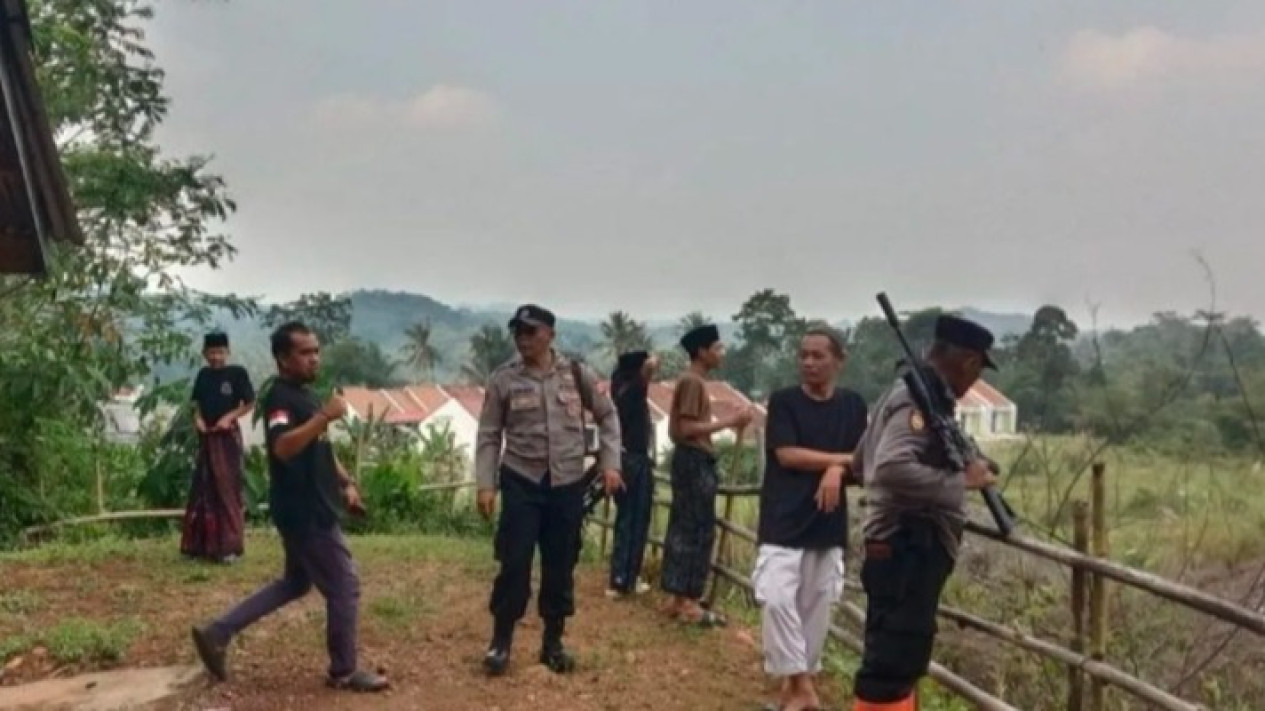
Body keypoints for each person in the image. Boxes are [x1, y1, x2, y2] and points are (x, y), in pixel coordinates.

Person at [190, 321, 389, 693]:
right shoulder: (281, 398)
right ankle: (344, 671)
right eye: (305, 352)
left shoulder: (306, 395)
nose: (314, 358)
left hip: (309, 505)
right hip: (306, 512)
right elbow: (283, 447)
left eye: (316, 351)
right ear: (283, 358)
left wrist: (345, 483)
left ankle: (218, 632)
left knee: (296, 582)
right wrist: (325, 416)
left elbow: (320, 447)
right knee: (344, 586)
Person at [850, 315, 1000, 711]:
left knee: (901, 657)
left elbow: (858, 461)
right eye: (978, 369)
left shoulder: (907, 394)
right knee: (891, 666)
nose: (974, 381)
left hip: (900, 546)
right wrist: (959, 481)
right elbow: (889, 467)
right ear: (969, 361)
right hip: (907, 545)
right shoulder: (915, 400)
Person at [475, 304, 624, 676]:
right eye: (518, 333)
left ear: (550, 334)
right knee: (515, 562)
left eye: (531, 332)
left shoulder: (577, 374)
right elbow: (490, 434)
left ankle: (553, 642)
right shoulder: (503, 380)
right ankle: (501, 641)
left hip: (567, 484)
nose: (523, 339)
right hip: (522, 481)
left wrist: (610, 464)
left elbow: (607, 415)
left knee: (561, 565)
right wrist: (485, 483)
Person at [753, 326, 868, 711]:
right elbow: (787, 454)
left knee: (816, 608)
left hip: (826, 522)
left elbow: (864, 463)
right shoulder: (785, 402)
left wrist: (839, 471)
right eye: (803, 355)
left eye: (818, 356)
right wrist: (839, 462)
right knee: (776, 599)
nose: (809, 362)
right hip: (783, 521)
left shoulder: (853, 406)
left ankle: (793, 692)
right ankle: (803, 687)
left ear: (839, 360)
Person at [661, 323, 753, 626]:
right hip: (694, 460)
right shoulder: (693, 383)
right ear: (702, 352)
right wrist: (729, 421)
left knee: (686, 526)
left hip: (692, 460)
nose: (721, 353)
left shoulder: (693, 382)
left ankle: (678, 597)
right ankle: (688, 599)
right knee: (696, 529)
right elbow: (686, 429)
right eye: (717, 348)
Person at [180, 331, 255, 564]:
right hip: (207, 438)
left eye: (220, 352)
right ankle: (199, 547)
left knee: (227, 490)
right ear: (204, 354)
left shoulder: (237, 374)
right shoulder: (203, 375)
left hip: (227, 438)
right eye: (211, 352)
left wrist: (229, 417)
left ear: (228, 352)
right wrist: (198, 420)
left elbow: (250, 403)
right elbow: (197, 406)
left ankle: (229, 548)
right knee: (203, 489)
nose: (216, 357)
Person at [606, 349, 659, 598]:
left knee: (624, 519)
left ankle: (620, 575)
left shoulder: (618, 387)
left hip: (622, 458)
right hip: (636, 460)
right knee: (637, 520)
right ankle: (626, 578)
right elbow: (649, 369)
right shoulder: (636, 390)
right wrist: (652, 360)